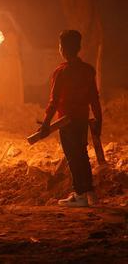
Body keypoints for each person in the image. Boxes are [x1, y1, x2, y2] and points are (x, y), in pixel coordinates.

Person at [39, 29, 102, 207]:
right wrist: (99, 121)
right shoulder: (88, 70)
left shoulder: (61, 72)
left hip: (66, 122)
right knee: (81, 154)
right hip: (81, 119)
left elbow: (54, 101)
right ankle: (87, 192)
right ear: (79, 47)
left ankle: (80, 195)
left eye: (60, 46)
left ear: (63, 49)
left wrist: (45, 125)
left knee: (74, 157)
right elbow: (94, 99)